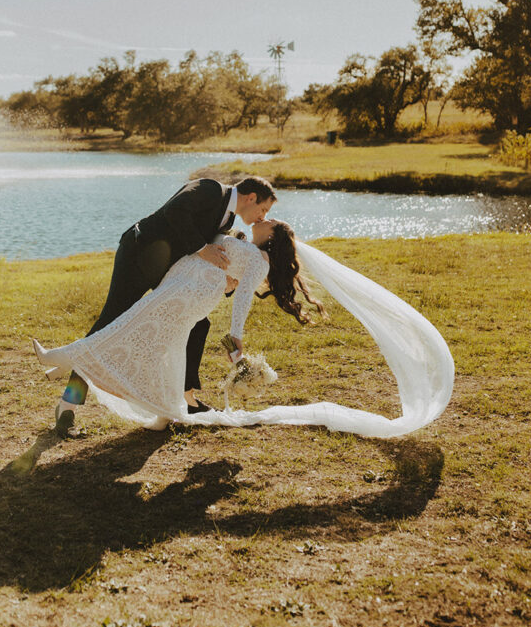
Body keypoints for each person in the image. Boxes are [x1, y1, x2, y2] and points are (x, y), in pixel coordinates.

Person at [33, 219, 323, 428]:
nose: (264, 217)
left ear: (273, 235)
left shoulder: (260, 259)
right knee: (163, 347)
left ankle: (61, 359)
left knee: (127, 329)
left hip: (187, 293)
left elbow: (243, 295)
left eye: (270, 219)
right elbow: (228, 274)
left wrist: (236, 336)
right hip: (187, 290)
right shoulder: (247, 245)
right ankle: (165, 410)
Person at [49, 176, 276, 435]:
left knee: (198, 324)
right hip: (139, 254)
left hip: (167, 271)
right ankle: (68, 405)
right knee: (110, 324)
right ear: (251, 198)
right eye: (264, 209)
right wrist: (203, 249)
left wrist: (228, 280)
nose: (262, 216)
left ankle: (184, 399)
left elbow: (212, 256)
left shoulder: (228, 219)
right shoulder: (211, 189)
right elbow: (174, 211)